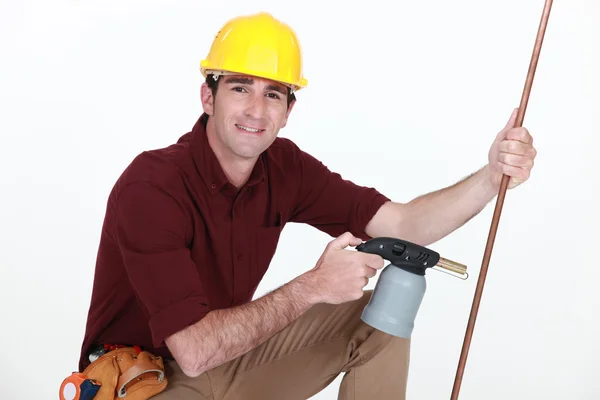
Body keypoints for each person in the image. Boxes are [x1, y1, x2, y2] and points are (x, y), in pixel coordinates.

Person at [77, 12, 537, 400]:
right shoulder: (152, 187)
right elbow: (194, 350)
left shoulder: (284, 168)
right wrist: (313, 286)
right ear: (207, 96)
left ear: (287, 110)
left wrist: (490, 177)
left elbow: (403, 223)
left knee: (378, 318)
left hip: (220, 370)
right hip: (145, 385)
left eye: (273, 93)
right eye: (240, 88)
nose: (257, 110)